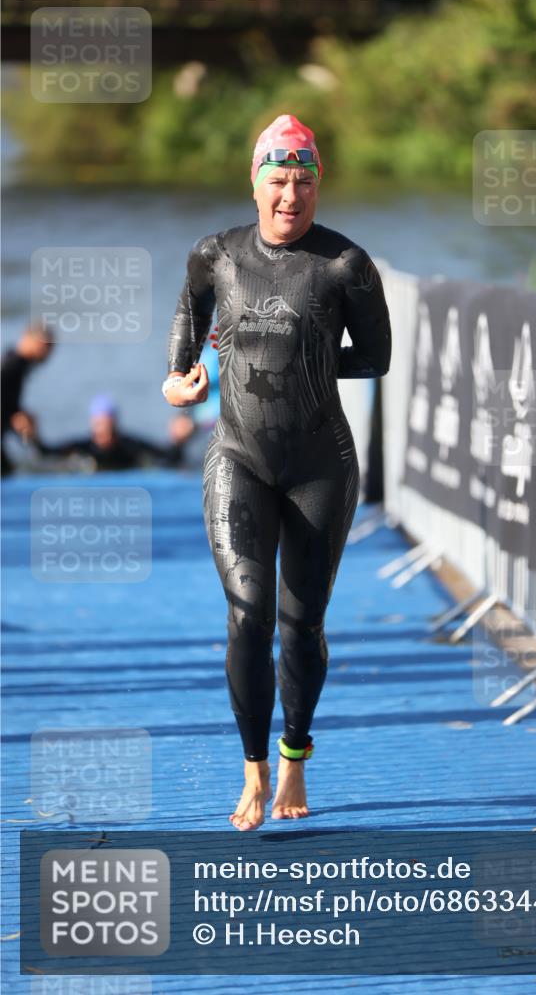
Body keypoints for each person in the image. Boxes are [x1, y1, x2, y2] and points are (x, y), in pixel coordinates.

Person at [163, 114, 392, 831]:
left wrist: (314, 361)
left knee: (301, 625)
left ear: (316, 185)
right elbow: (181, 347)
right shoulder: (216, 256)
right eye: (278, 181)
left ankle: (295, 754)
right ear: (254, 183)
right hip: (239, 457)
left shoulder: (343, 265)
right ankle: (254, 771)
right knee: (247, 614)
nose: (290, 196)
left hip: (320, 463)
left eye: (303, 182)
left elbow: (376, 355)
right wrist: (180, 383)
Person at [22, 394, 194, 472]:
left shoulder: (129, 446)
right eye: (99, 425)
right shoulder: (82, 448)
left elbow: (169, 458)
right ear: (92, 424)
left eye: (108, 426)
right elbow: (45, 455)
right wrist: (32, 437)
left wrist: (179, 440)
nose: (104, 431)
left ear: (115, 424)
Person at [1, 322, 54, 476]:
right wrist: (15, 417)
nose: (48, 352)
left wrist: (17, 415)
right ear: (28, 339)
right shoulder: (11, 365)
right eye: (45, 345)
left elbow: (9, 404)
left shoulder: (19, 365)